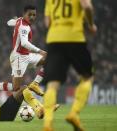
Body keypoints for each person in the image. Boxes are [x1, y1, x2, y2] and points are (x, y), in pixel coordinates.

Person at [43, 0, 97, 131]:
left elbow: (47, 23)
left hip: (54, 40)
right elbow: (87, 6)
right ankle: (74, 113)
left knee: (52, 84)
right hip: (74, 38)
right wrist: (90, 25)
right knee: (87, 77)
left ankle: (48, 124)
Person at [0, 5, 47, 98]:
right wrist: (39, 51)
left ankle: (35, 84)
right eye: (29, 14)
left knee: (48, 60)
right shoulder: (24, 26)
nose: (32, 17)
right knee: (16, 88)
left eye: (34, 15)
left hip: (26, 55)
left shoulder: (20, 20)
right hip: (19, 57)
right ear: (24, 14)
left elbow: (9, 22)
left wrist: (15, 22)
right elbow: (24, 43)